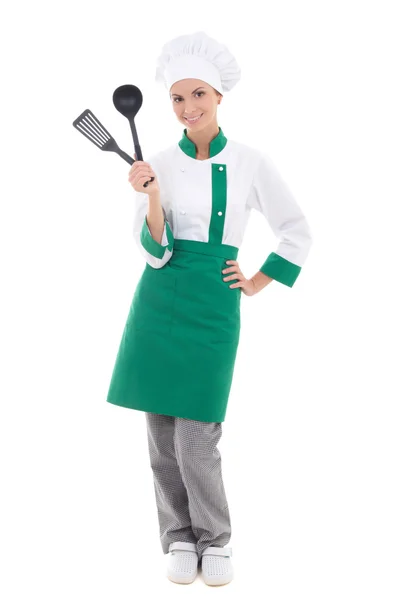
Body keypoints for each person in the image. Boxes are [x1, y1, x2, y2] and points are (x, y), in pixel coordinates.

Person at [106, 31, 313, 586]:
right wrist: (150, 196)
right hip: (159, 299)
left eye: (198, 94)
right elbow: (156, 252)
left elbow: (296, 232)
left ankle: (215, 538)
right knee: (161, 431)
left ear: (219, 96)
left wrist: (255, 281)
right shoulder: (160, 162)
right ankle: (177, 537)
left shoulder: (250, 162)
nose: (187, 108)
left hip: (214, 305)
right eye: (177, 98)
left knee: (198, 435)